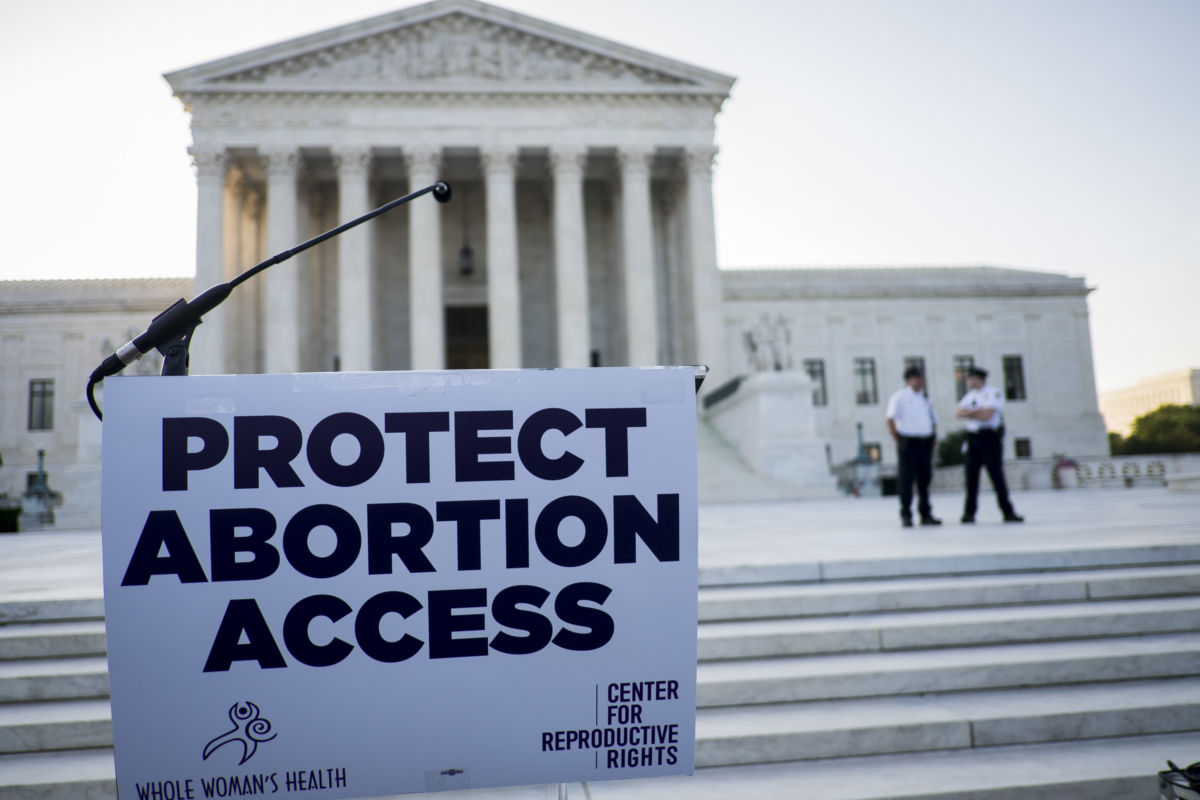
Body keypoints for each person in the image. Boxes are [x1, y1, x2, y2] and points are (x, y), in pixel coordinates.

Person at [955, 366, 1024, 524]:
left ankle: (1008, 512)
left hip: (989, 438)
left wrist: (970, 412)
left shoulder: (993, 393)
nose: (969, 381)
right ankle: (969, 513)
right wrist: (976, 412)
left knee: (996, 476)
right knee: (971, 479)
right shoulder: (970, 395)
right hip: (972, 439)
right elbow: (958, 413)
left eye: (971, 378)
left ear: (979, 379)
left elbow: (988, 415)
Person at [885, 365, 940, 528]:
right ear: (909, 380)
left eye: (921, 378)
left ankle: (926, 513)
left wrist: (934, 436)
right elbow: (890, 419)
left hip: (925, 442)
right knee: (906, 480)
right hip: (908, 442)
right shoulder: (899, 397)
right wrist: (897, 439)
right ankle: (906, 514)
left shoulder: (925, 397)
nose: (920, 381)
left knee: (925, 479)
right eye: (917, 378)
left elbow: (933, 419)